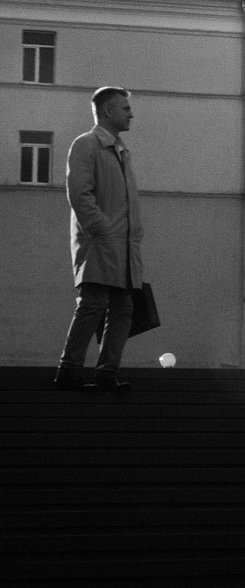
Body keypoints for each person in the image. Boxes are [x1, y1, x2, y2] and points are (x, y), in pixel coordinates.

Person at [53, 87, 143, 393]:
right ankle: (69, 369)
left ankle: (107, 373)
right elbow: (80, 194)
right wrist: (101, 228)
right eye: (125, 108)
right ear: (108, 111)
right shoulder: (87, 144)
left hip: (123, 244)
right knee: (93, 304)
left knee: (123, 308)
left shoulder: (120, 151)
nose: (131, 114)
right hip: (100, 242)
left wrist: (131, 236)